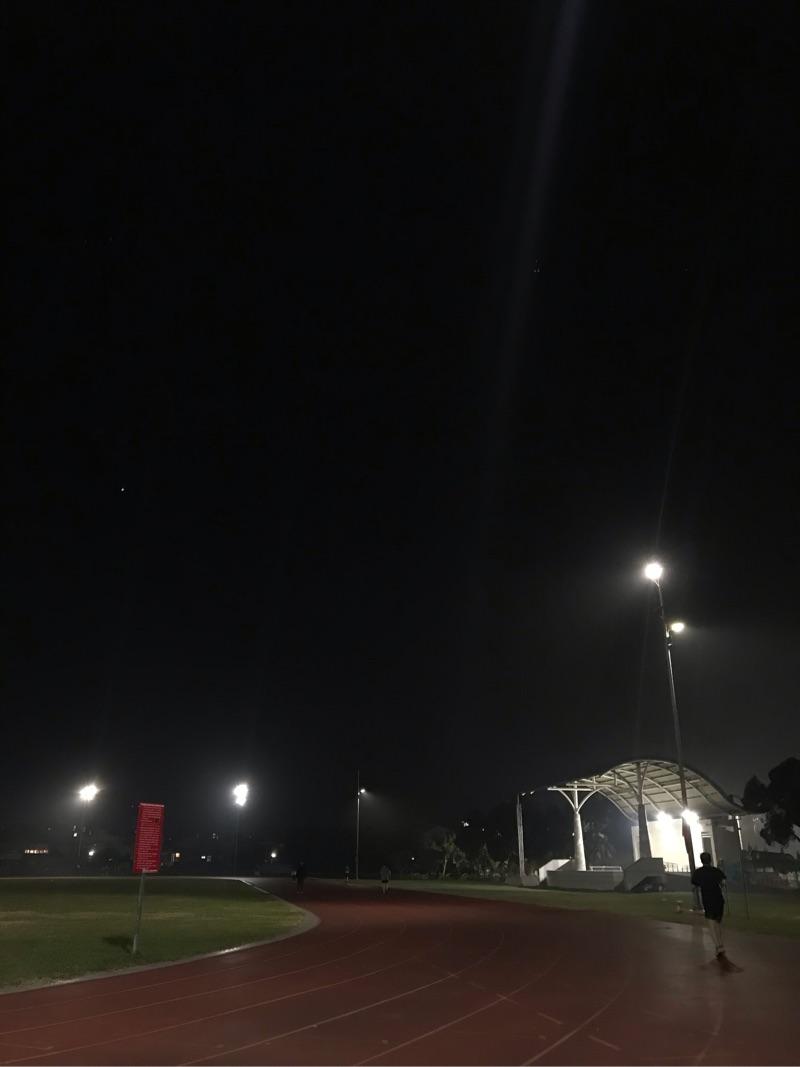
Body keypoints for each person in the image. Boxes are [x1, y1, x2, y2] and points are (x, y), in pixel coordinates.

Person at [691, 851, 726, 957]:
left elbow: (694, 885)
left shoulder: (698, 873)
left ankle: (718, 947)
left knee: (711, 924)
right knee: (718, 923)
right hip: (718, 899)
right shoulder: (716, 871)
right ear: (710, 860)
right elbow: (723, 883)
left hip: (708, 900)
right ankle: (721, 944)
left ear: (701, 861)